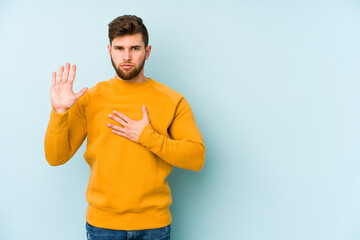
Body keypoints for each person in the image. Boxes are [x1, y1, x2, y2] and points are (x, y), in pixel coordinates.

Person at [44, 15, 205, 240]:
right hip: (102, 226)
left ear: (147, 52)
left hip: (154, 226)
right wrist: (60, 113)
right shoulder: (90, 99)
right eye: (119, 48)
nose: (127, 56)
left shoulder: (172, 100)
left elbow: (197, 158)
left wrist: (146, 136)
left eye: (135, 48)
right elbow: (55, 157)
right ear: (109, 50)